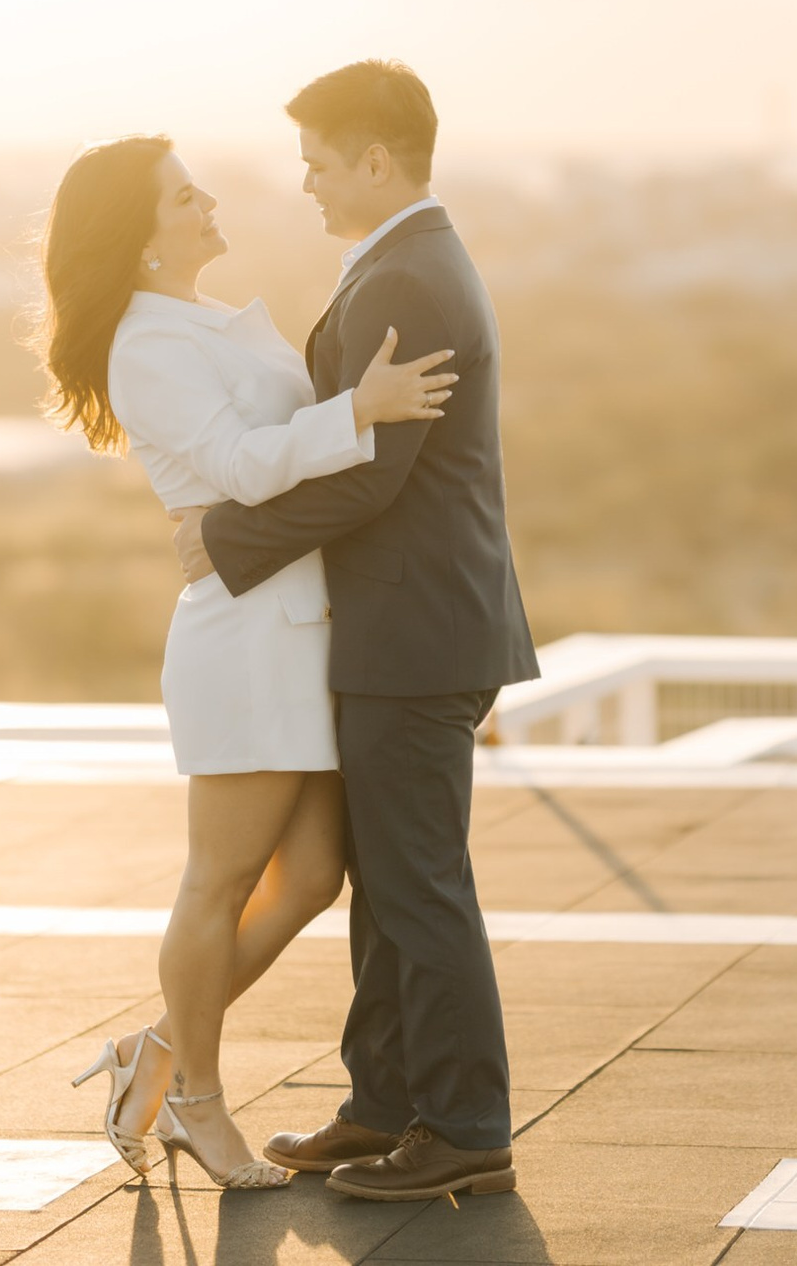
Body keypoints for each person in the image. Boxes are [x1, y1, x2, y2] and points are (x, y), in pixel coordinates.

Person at [34, 132, 459, 1189]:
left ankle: (153, 1053)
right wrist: (356, 410)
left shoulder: (205, 321)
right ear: (138, 240)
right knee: (218, 882)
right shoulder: (146, 343)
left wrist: (344, 417)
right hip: (245, 636)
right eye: (184, 195)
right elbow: (232, 468)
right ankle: (196, 1103)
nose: (209, 200)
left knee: (311, 875)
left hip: (299, 625)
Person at [173, 59, 540, 1201]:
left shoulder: (406, 282)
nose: (308, 187)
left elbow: (373, 478)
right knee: (390, 878)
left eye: (320, 165)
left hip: (414, 633)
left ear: (377, 160)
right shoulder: (406, 262)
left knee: (420, 884)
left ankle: (465, 1120)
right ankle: (384, 1102)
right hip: (410, 626)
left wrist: (227, 539)